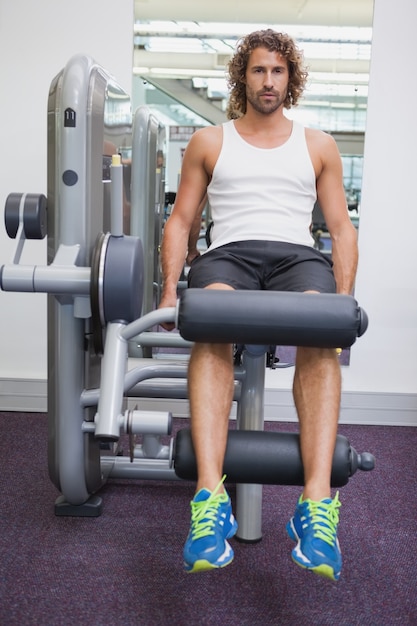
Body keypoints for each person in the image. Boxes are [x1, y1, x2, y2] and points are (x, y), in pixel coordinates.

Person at [159, 29, 358, 581]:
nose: (267, 82)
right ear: (241, 77)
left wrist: (342, 301)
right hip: (229, 255)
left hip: (297, 258)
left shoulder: (317, 144)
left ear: (289, 79)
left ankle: (316, 509)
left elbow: (340, 228)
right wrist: (172, 290)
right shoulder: (209, 140)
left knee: (320, 330)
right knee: (214, 322)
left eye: (277, 72)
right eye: (257, 71)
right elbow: (182, 221)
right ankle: (209, 503)